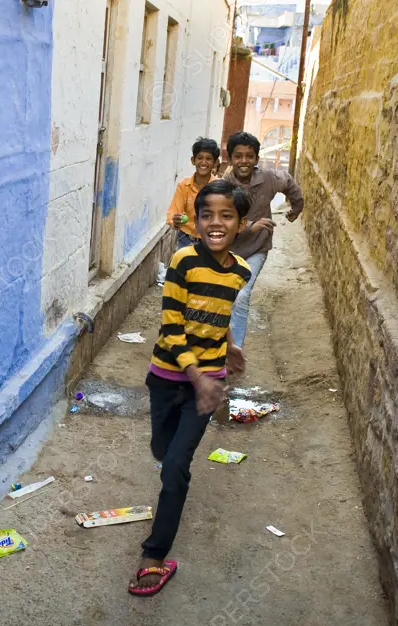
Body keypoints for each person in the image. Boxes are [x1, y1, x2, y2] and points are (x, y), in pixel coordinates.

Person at [129, 179, 251, 597]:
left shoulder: (241, 271)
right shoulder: (182, 260)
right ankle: (169, 467)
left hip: (208, 383)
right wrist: (194, 374)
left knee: (176, 467)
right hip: (167, 377)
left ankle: (153, 556)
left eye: (226, 216)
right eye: (207, 215)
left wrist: (229, 348)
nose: (215, 223)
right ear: (195, 220)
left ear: (241, 223)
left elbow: (218, 313)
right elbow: (173, 326)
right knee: (162, 452)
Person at [220, 131, 304, 346]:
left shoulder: (268, 178)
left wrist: (296, 207)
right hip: (227, 250)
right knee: (222, 297)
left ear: (257, 159)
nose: (244, 161)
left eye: (249, 156)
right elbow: (221, 222)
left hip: (256, 249)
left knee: (241, 296)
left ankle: (234, 349)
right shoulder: (223, 187)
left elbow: (288, 182)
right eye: (238, 156)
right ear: (230, 159)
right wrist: (250, 226)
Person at [166, 137, 220, 251]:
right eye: (200, 158)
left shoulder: (219, 188)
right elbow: (173, 213)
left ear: (215, 163)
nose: (204, 162)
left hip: (210, 241)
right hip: (185, 239)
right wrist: (175, 221)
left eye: (209, 159)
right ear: (193, 160)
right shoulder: (183, 186)